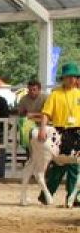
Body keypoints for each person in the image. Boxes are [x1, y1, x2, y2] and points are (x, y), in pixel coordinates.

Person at [37, 61, 80, 205]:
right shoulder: (55, 94)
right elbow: (46, 113)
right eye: (69, 77)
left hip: (76, 133)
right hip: (59, 133)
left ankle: (73, 198)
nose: (72, 79)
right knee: (57, 166)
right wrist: (42, 129)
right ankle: (46, 194)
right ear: (63, 78)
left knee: (74, 166)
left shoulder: (79, 94)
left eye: (74, 77)